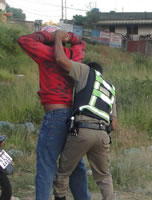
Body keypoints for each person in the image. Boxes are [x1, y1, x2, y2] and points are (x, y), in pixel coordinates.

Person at [17, 26, 91, 200]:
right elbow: (81, 43)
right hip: (73, 117)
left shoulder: (47, 53)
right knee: (75, 165)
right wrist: (67, 37)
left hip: (55, 116)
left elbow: (24, 40)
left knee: (46, 165)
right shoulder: (75, 55)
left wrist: (51, 36)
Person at [51, 30, 118, 200]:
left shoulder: (85, 71)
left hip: (83, 130)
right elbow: (114, 125)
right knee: (103, 176)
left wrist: (58, 38)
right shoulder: (109, 87)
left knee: (64, 172)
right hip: (103, 135)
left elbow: (60, 60)